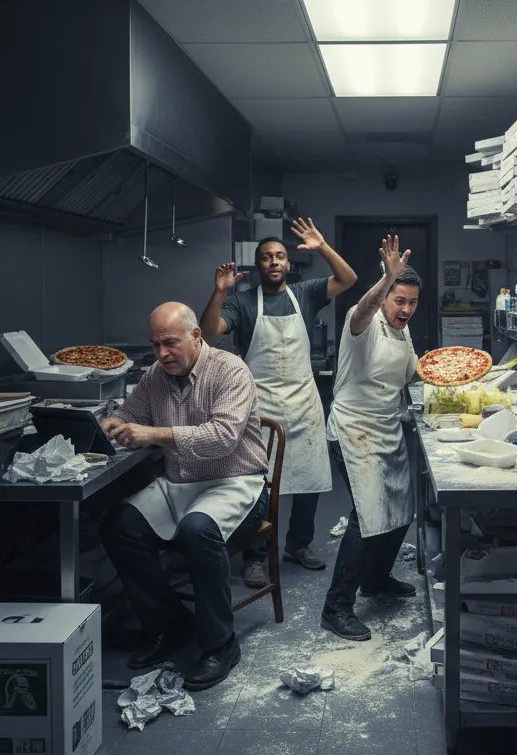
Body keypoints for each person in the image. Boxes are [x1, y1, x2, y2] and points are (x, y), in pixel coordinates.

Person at [98, 303, 270, 691]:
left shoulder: (230, 370)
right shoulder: (157, 376)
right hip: (181, 482)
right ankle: (170, 623)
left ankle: (220, 643)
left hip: (236, 480)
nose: (161, 354)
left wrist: (153, 434)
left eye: (170, 343)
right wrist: (115, 422)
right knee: (117, 525)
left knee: (197, 530)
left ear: (196, 337)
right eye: (155, 345)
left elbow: (223, 437)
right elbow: (130, 413)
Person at [201, 220, 358, 589]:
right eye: (267, 257)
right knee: (259, 483)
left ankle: (297, 545)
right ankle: (256, 557)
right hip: (260, 404)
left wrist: (321, 246)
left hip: (303, 401)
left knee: (309, 480)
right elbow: (207, 334)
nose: (274, 262)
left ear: (289, 264)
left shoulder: (306, 293)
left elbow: (348, 278)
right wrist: (220, 292)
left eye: (280, 256)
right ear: (259, 266)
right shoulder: (242, 301)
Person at [321, 235, 422, 641]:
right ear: (384, 296)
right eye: (399, 300)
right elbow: (363, 308)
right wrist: (385, 279)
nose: (406, 309)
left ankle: (376, 579)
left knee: (401, 510)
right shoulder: (360, 322)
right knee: (367, 515)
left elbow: (414, 371)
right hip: (353, 430)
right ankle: (336, 607)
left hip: (388, 427)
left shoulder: (403, 331)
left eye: (412, 302)